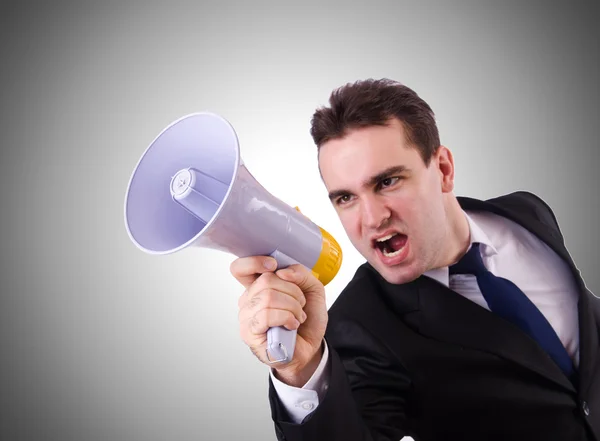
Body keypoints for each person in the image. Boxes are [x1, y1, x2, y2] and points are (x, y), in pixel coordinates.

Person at [230, 78, 600, 441]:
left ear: (442, 170)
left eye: (387, 182)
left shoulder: (527, 212)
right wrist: (301, 370)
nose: (372, 218)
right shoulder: (359, 325)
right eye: (345, 198)